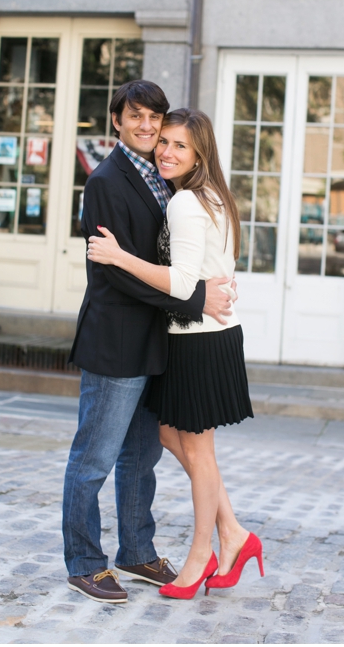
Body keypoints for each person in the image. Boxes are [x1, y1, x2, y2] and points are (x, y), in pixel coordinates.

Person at [63, 80, 234, 605]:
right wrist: (194, 300)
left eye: (154, 119)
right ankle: (85, 563)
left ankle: (137, 551)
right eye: (135, 116)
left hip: (157, 343)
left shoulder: (167, 180)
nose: (146, 126)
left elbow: (174, 260)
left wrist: (205, 285)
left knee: (141, 459)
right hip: (116, 343)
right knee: (94, 458)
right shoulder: (106, 182)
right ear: (116, 120)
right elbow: (115, 273)